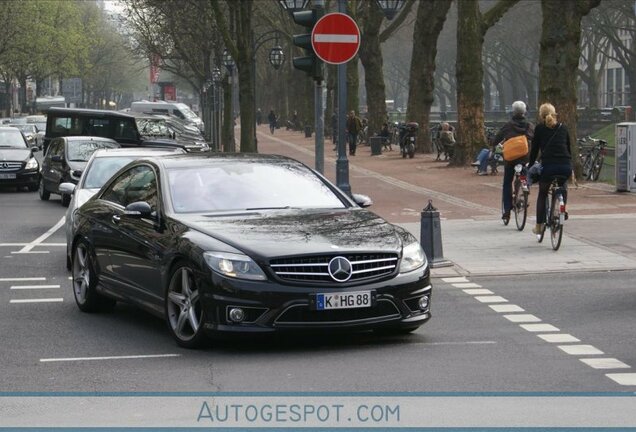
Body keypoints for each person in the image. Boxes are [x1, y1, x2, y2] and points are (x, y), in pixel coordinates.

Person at [528, 102, 572, 234]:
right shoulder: (563, 128)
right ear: (554, 114)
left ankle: (539, 226)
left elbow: (534, 150)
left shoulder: (540, 129)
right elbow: (569, 149)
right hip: (565, 166)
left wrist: (530, 165)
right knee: (562, 184)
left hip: (549, 167)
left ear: (541, 116)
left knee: (542, 193)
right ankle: (563, 206)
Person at [492, 100, 534, 223]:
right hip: (524, 157)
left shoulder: (508, 125)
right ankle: (524, 187)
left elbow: (497, 138)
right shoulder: (529, 125)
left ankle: (506, 210)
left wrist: (494, 145)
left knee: (507, 182)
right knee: (524, 174)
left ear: (513, 111)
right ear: (524, 112)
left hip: (510, 158)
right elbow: (534, 138)